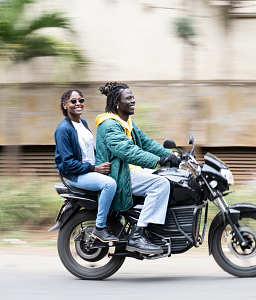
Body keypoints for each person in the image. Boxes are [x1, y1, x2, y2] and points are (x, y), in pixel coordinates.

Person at [96, 82, 180, 255]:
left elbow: (146, 142)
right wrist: (159, 160)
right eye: (128, 98)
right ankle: (138, 234)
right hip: (119, 174)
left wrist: (172, 155)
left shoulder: (127, 123)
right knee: (161, 184)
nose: (133, 100)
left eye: (133, 97)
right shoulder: (109, 125)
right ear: (117, 103)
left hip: (132, 171)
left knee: (168, 178)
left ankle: (156, 229)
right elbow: (127, 151)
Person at [54, 89, 119, 242]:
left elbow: (91, 151)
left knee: (121, 178)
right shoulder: (63, 130)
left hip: (89, 171)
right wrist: (94, 168)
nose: (78, 104)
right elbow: (68, 163)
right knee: (109, 184)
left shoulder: (82, 123)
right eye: (74, 101)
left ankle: (117, 221)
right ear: (65, 105)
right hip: (75, 175)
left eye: (81, 100)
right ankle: (100, 228)